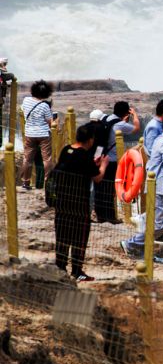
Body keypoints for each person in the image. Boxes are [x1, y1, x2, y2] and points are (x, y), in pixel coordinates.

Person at [122, 115, 163, 254]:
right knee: (158, 225)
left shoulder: (160, 139)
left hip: (156, 185)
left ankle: (142, 248)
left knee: (155, 220)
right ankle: (131, 244)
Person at [53, 121, 108, 282]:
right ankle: (77, 271)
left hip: (62, 202)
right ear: (90, 140)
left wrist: (93, 165)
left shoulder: (66, 150)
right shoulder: (84, 155)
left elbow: (80, 169)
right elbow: (97, 178)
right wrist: (103, 165)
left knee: (62, 237)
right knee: (79, 238)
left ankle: (60, 268)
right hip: (79, 204)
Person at [93, 100, 140, 223]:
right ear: (126, 113)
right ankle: (110, 217)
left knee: (99, 189)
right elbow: (136, 128)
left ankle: (101, 216)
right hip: (112, 160)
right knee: (109, 190)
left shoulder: (106, 119)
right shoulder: (120, 125)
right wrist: (134, 115)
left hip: (99, 156)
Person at [21, 81, 57, 188]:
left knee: (27, 159)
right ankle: (47, 182)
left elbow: (23, 110)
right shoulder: (45, 106)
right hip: (43, 135)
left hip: (29, 134)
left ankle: (26, 182)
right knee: (47, 159)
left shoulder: (26, 100)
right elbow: (50, 122)